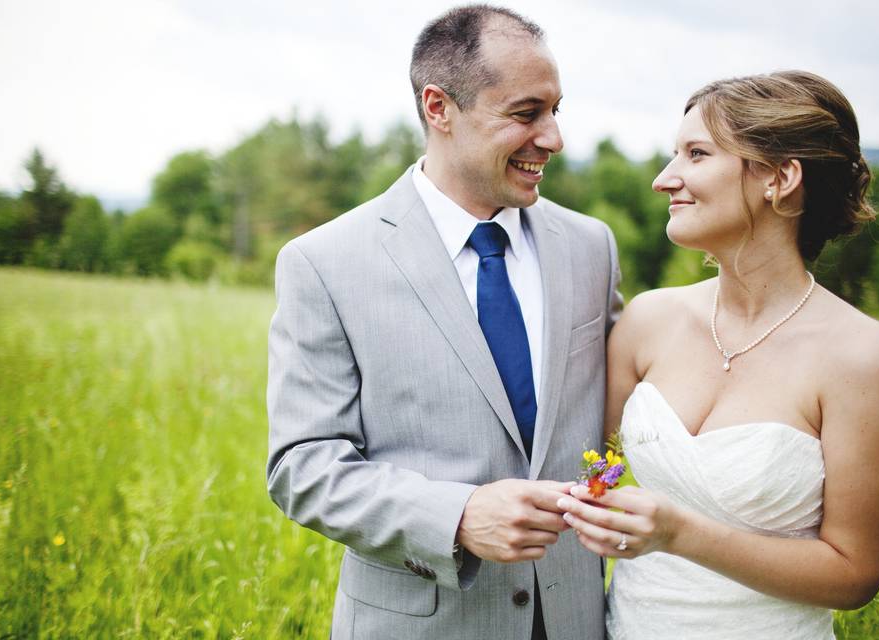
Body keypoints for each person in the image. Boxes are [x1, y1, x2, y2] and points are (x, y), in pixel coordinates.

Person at [266, 5, 621, 639]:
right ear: (439, 107)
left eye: (555, 111)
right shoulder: (324, 263)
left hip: (575, 620)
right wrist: (455, 516)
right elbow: (303, 467)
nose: (554, 139)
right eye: (525, 113)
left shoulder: (592, 247)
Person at [556, 71, 879, 639]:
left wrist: (680, 534)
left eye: (695, 154)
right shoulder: (646, 322)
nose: (663, 179)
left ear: (780, 177)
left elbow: (855, 577)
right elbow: (589, 473)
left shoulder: (862, 357)